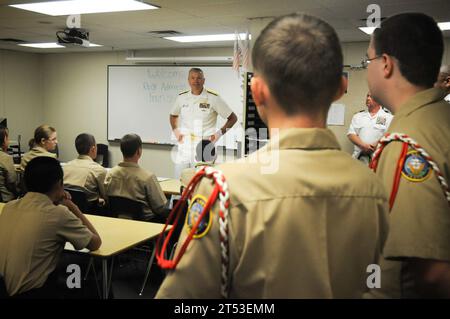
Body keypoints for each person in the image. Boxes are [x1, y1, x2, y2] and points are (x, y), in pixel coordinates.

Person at [156, 13, 389, 299]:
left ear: (257, 92)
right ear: (342, 88)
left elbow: (183, 300)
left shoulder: (223, 190)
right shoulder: (375, 188)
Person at [365, 13, 450, 298]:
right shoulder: (438, 118)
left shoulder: (408, 142)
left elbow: (430, 272)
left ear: (386, 64)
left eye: (369, 61)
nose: (368, 69)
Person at [0, 157, 101, 298]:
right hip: (33, 292)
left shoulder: (8, 207)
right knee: (89, 267)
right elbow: (95, 243)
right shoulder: (58, 213)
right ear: (59, 183)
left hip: (5, 288)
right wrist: (73, 207)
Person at [169, 67, 238, 178]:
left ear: (204, 80)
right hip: (185, 146)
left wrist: (218, 135)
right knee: (179, 181)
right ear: (188, 80)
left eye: (199, 78)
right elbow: (173, 115)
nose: (196, 81)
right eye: (193, 78)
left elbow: (233, 118)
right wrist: (176, 131)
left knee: (202, 183)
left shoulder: (213, 98)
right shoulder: (182, 98)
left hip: (204, 147)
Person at [104, 134, 168, 222]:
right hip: (146, 226)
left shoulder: (110, 174)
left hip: (116, 223)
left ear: (121, 150)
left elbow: (107, 199)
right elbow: (160, 208)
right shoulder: (147, 177)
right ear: (139, 151)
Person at [63, 133, 107, 212]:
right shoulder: (99, 170)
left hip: (67, 211)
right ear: (93, 149)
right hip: (90, 214)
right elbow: (106, 197)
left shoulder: (65, 167)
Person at [347, 93, 393, 164]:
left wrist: (375, 145)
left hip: (378, 159)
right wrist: (364, 146)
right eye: (367, 96)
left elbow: (389, 136)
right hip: (359, 158)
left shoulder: (389, 117)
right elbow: (351, 134)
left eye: (371, 97)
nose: (368, 98)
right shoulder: (358, 116)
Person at [0, 126, 18, 202]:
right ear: (4, 139)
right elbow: (12, 184)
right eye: (8, 138)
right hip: (5, 200)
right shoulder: (6, 158)